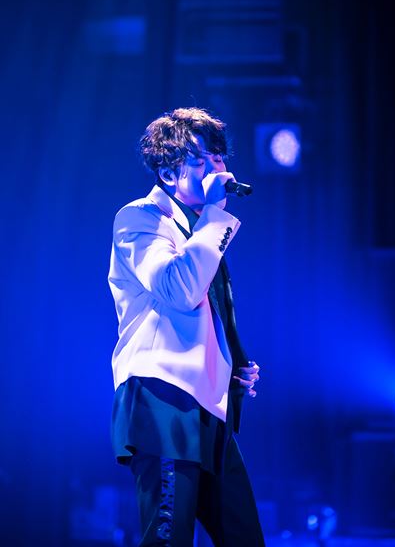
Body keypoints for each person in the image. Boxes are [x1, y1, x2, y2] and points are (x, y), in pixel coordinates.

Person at [108, 107, 265, 546]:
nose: (216, 167)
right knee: (169, 538)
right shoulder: (139, 219)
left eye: (218, 156)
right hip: (162, 400)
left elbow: (204, 315)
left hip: (209, 407)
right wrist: (215, 215)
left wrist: (231, 366)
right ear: (167, 172)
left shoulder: (201, 230)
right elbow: (179, 290)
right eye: (200, 160)